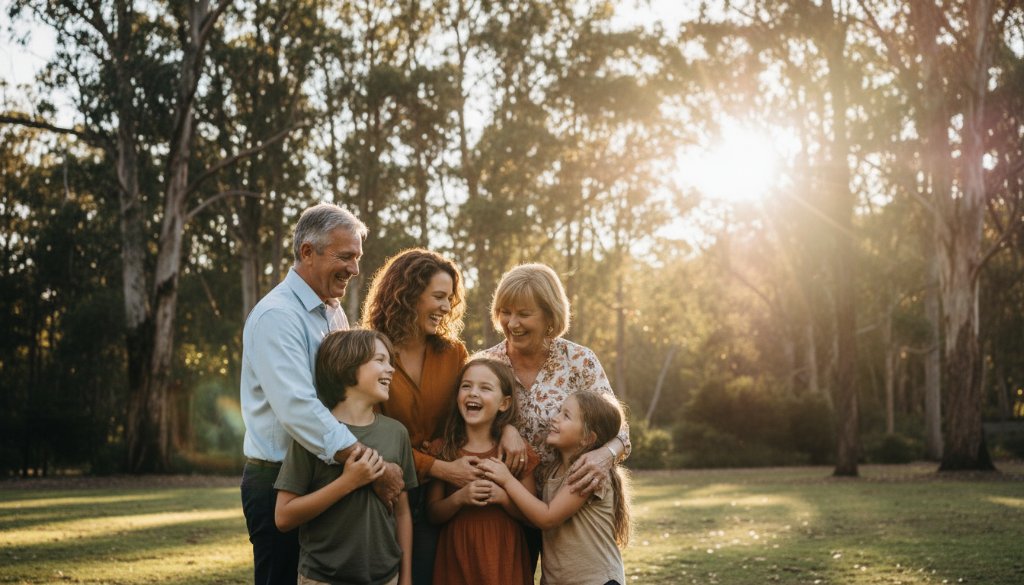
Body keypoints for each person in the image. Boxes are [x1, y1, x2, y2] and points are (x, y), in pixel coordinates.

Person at [240, 202, 403, 585]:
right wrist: (370, 465)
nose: (355, 269)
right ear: (307, 252)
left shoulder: (334, 314)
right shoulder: (277, 316)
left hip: (329, 475)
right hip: (280, 479)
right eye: (345, 256)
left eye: (357, 258)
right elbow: (297, 408)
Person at [362, 248, 519, 584]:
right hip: (385, 490)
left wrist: (507, 430)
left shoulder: (453, 353)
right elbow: (369, 432)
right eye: (438, 296)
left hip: (441, 496)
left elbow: (471, 410)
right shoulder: (371, 352)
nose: (447, 307)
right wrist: (440, 467)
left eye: (450, 298)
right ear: (407, 294)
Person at [275, 329, 417, 585]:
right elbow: (284, 517)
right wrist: (347, 482)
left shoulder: (396, 433)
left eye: (390, 362)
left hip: (386, 578)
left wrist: (405, 578)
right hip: (322, 578)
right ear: (348, 367)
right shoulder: (313, 435)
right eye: (380, 360)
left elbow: (403, 513)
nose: (391, 369)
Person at [480, 263, 631, 493]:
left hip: (570, 499)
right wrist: (504, 428)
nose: (511, 323)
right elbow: (462, 428)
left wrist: (604, 456)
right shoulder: (485, 364)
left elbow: (619, 431)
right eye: (505, 312)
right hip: (505, 505)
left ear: (550, 315)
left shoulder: (579, 360)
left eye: (523, 314)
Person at [479, 391, 632, 585]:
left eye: (566, 415)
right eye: (559, 411)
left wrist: (507, 480)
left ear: (588, 438)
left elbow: (547, 518)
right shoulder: (553, 472)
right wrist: (504, 498)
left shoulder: (587, 474)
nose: (554, 418)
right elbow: (534, 515)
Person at [426, 357, 539, 585]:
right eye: (466, 386)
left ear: (504, 403)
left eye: (485, 388)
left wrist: (504, 498)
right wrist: (459, 498)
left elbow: (531, 515)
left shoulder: (516, 452)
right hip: (457, 553)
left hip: (503, 554)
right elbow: (432, 513)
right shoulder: (443, 449)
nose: (473, 393)